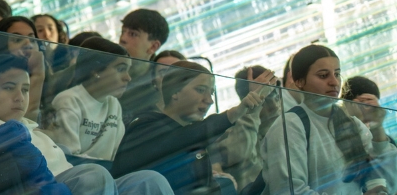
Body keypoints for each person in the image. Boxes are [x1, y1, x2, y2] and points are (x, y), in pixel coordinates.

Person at [0, 54, 118, 195]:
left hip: (67, 182)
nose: (20, 97)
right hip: (46, 188)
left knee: (134, 181)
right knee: (95, 176)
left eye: (25, 90)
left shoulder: (32, 130)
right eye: (9, 88)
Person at [114, 61, 276, 195]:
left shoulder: (195, 145)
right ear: (175, 91)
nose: (209, 100)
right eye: (200, 90)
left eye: (211, 93)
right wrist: (237, 111)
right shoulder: (145, 126)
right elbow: (182, 138)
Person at [260, 45, 397, 195]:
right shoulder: (289, 126)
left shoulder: (353, 124)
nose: (334, 82)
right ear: (300, 81)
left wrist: (378, 129)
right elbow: (288, 191)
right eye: (323, 75)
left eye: (337, 74)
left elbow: (390, 184)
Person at [45, 37, 131, 161]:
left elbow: (116, 155)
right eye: (121, 69)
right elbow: (69, 157)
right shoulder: (69, 100)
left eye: (128, 70)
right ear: (96, 71)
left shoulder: (114, 104)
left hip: (105, 170)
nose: (128, 78)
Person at [211, 66, 282, 192]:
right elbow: (239, 155)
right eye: (271, 95)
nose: (277, 102)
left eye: (278, 94)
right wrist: (252, 109)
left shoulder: (278, 128)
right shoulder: (231, 134)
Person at [117, 9, 170, 124]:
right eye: (122, 32)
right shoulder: (105, 70)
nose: (123, 39)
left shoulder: (159, 86)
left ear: (153, 47)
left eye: (133, 34)